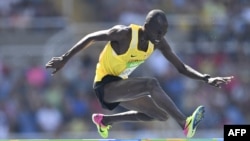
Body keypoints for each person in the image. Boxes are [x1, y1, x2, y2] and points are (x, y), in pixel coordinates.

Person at [45, 9, 234, 138]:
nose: (161, 37)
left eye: (164, 33)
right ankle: (185, 123)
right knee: (150, 84)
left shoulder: (158, 42)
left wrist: (206, 78)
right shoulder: (125, 34)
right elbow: (92, 37)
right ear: (147, 26)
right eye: (159, 32)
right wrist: (65, 58)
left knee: (159, 115)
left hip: (121, 85)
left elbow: (181, 67)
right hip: (105, 85)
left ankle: (104, 120)